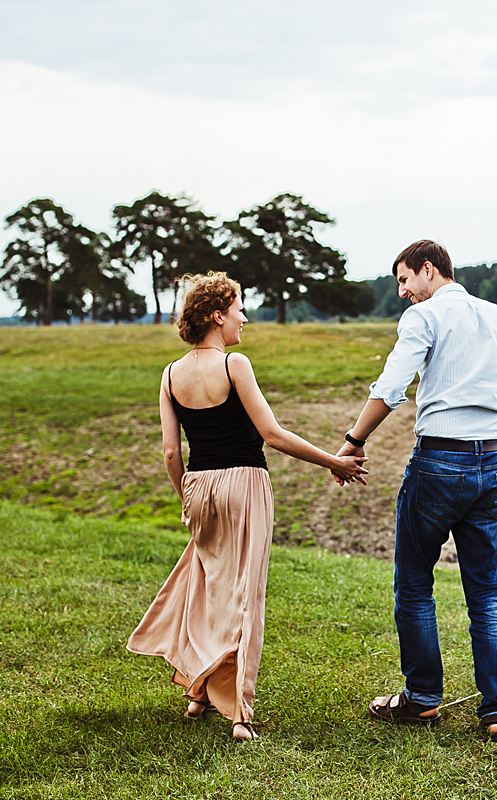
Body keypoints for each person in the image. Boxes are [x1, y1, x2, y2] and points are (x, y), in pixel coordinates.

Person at [335, 240, 497, 742]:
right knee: (485, 593)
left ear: (428, 269)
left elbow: (391, 388)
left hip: (437, 462)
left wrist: (353, 441)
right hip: (492, 465)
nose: (402, 292)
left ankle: (421, 700)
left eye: (404, 280)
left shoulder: (425, 317)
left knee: (414, 586)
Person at [128, 272, 367, 741]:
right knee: (243, 596)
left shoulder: (171, 374)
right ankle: (239, 713)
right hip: (244, 485)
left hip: (198, 487)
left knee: (206, 585)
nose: (244, 318)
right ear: (217, 316)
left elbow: (171, 453)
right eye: (239, 309)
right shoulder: (235, 364)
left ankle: (198, 693)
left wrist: (186, 498)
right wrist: (332, 461)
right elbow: (273, 435)